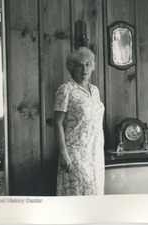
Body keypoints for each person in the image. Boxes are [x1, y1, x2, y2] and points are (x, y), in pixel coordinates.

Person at [53, 46, 105, 196]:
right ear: (71, 69)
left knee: (95, 192)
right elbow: (57, 123)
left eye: (88, 64)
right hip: (76, 154)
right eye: (79, 65)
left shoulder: (95, 90)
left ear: (92, 66)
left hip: (96, 152)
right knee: (79, 194)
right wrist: (64, 154)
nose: (84, 69)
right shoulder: (65, 90)